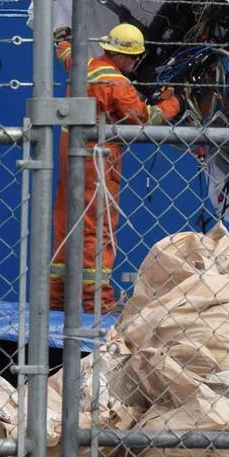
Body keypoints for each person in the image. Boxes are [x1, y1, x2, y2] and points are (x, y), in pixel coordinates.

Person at [50, 23, 181, 314]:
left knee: (65, 224)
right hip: (97, 157)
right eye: (134, 57)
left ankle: (56, 298)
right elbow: (146, 120)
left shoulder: (84, 64)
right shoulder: (116, 83)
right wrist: (173, 102)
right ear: (121, 56)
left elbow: (66, 53)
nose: (136, 63)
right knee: (98, 228)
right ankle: (97, 301)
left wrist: (62, 40)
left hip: (69, 149)